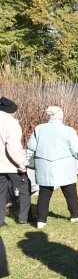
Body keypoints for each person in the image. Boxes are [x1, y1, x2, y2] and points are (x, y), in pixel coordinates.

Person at [27, 106, 78, 229]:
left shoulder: (39, 129)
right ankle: (75, 215)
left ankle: (41, 220)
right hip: (64, 165)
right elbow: (75, 150)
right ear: (60, 116)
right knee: (70, 190)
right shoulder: (68, 130)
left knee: (44, 192)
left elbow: (31, 146)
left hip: (44, 165)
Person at [0, 96, 31, 227]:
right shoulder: (11, 122)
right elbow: (12, 146)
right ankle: (24, 217)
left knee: (1, 192)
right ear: (11, 111)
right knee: (25, 187)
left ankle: (0, 221)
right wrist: (21, 164)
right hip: (11, 165)